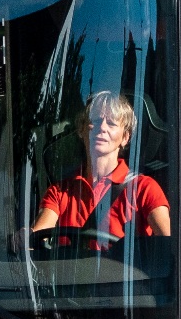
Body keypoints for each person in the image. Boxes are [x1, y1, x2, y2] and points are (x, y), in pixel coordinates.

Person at [32, 91, 172, 245]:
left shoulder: (145, 189)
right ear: (81, 129)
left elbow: (168, 247)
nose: (102, 128)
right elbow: (37, 235)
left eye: (111, 123)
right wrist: (25, 237)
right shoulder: (60, 191)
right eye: (96, 121)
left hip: (124, 270)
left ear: (125, 138)